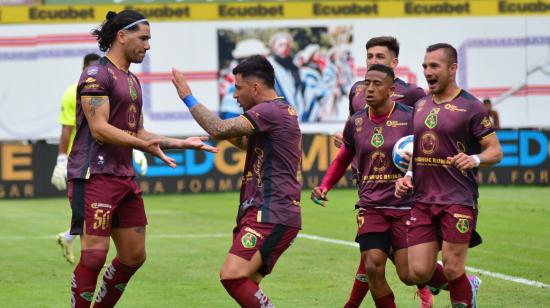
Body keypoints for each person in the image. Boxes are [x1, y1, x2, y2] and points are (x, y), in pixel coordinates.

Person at [68, 10, 217, 308]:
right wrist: (144, 146)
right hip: (93, 175)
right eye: (143, 38)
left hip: (123, 175)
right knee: (95, 256)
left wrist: (179, 143)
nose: (148, 46)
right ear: (121, 36)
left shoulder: (132, 81)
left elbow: (139, 132)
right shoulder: (96, 74)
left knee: (134, 256)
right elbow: (99, 129)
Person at [171, 55, 302, 308]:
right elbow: (243, 142)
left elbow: (219, 128)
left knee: (231, 275)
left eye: (238, 88)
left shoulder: (269, 110)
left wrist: (188, 96)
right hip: (268, 210)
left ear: (255, 87)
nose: (234, 95)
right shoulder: (278, 112)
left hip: (271, 212)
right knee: (247, 283)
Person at [395, 43, 502, 308]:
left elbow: (495, 151)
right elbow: (416, 150)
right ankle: (469, 284)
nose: (427, 72)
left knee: (454, 269)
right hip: (422, 199)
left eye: (434, 66)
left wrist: (474, 158)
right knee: (417, 272)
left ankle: (464, 291)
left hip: (457, 199)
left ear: (452, 68)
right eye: (424, 66)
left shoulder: (472, 107)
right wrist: (407, 175)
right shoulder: (420, 105)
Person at [334, 36, 431, 308]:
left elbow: (425, 136)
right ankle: (433, 284)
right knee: (373, 260)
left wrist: (411, 172)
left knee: (382, 261)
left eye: (380, 57)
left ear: (394, 62)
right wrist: (345, 141)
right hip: (368, 184)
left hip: (403, 189)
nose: (373, 61)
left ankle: (442, 283)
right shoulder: (356, 90)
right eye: (370, 57)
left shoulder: (412, 95)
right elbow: (356, 127)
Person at [312, 64, 421, 308]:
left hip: (404, 206)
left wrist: (411, 174)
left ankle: (461, 283)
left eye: (376, 84)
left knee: (408, 274)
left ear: (391, 90)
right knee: (373, 265)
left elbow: (425, 155)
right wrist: (325, 185)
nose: (368, 89)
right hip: (370, 205)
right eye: (366, 83)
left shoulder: (410, 118)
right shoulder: (356, 122)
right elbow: (343, 157)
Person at [51, 53, 149, 265]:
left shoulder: (121, 85)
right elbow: (67, 129)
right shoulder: (74, 92)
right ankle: (82, 250)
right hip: (85, 164)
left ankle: (69, 238)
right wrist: (61, 161)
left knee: (100, 221)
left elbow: (126, 126)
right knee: (92, 232)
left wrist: (137, 149)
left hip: (114, 160)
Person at [267, 32, 305, 118]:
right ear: (274, 47)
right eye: (281, 45)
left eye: (287, 45)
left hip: (296, 110)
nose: (284, 47)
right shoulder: (268, 66)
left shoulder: (294, 67)